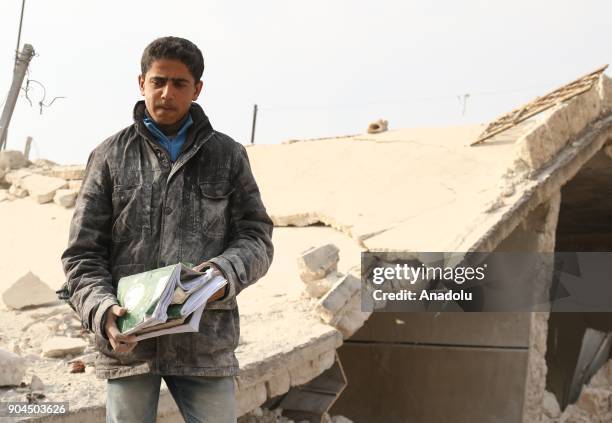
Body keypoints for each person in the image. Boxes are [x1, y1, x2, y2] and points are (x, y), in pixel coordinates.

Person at [58, 36, 274, 423]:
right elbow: (82, 254)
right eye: (158, 81)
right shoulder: (109, 156)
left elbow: (256, 236)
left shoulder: (227, 155)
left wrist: (223, 275)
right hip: (128, 344)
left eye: (179, 83)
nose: (166, 92)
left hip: (204, 343)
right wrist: (103, 311)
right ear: (141, 83)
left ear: (197, 89)